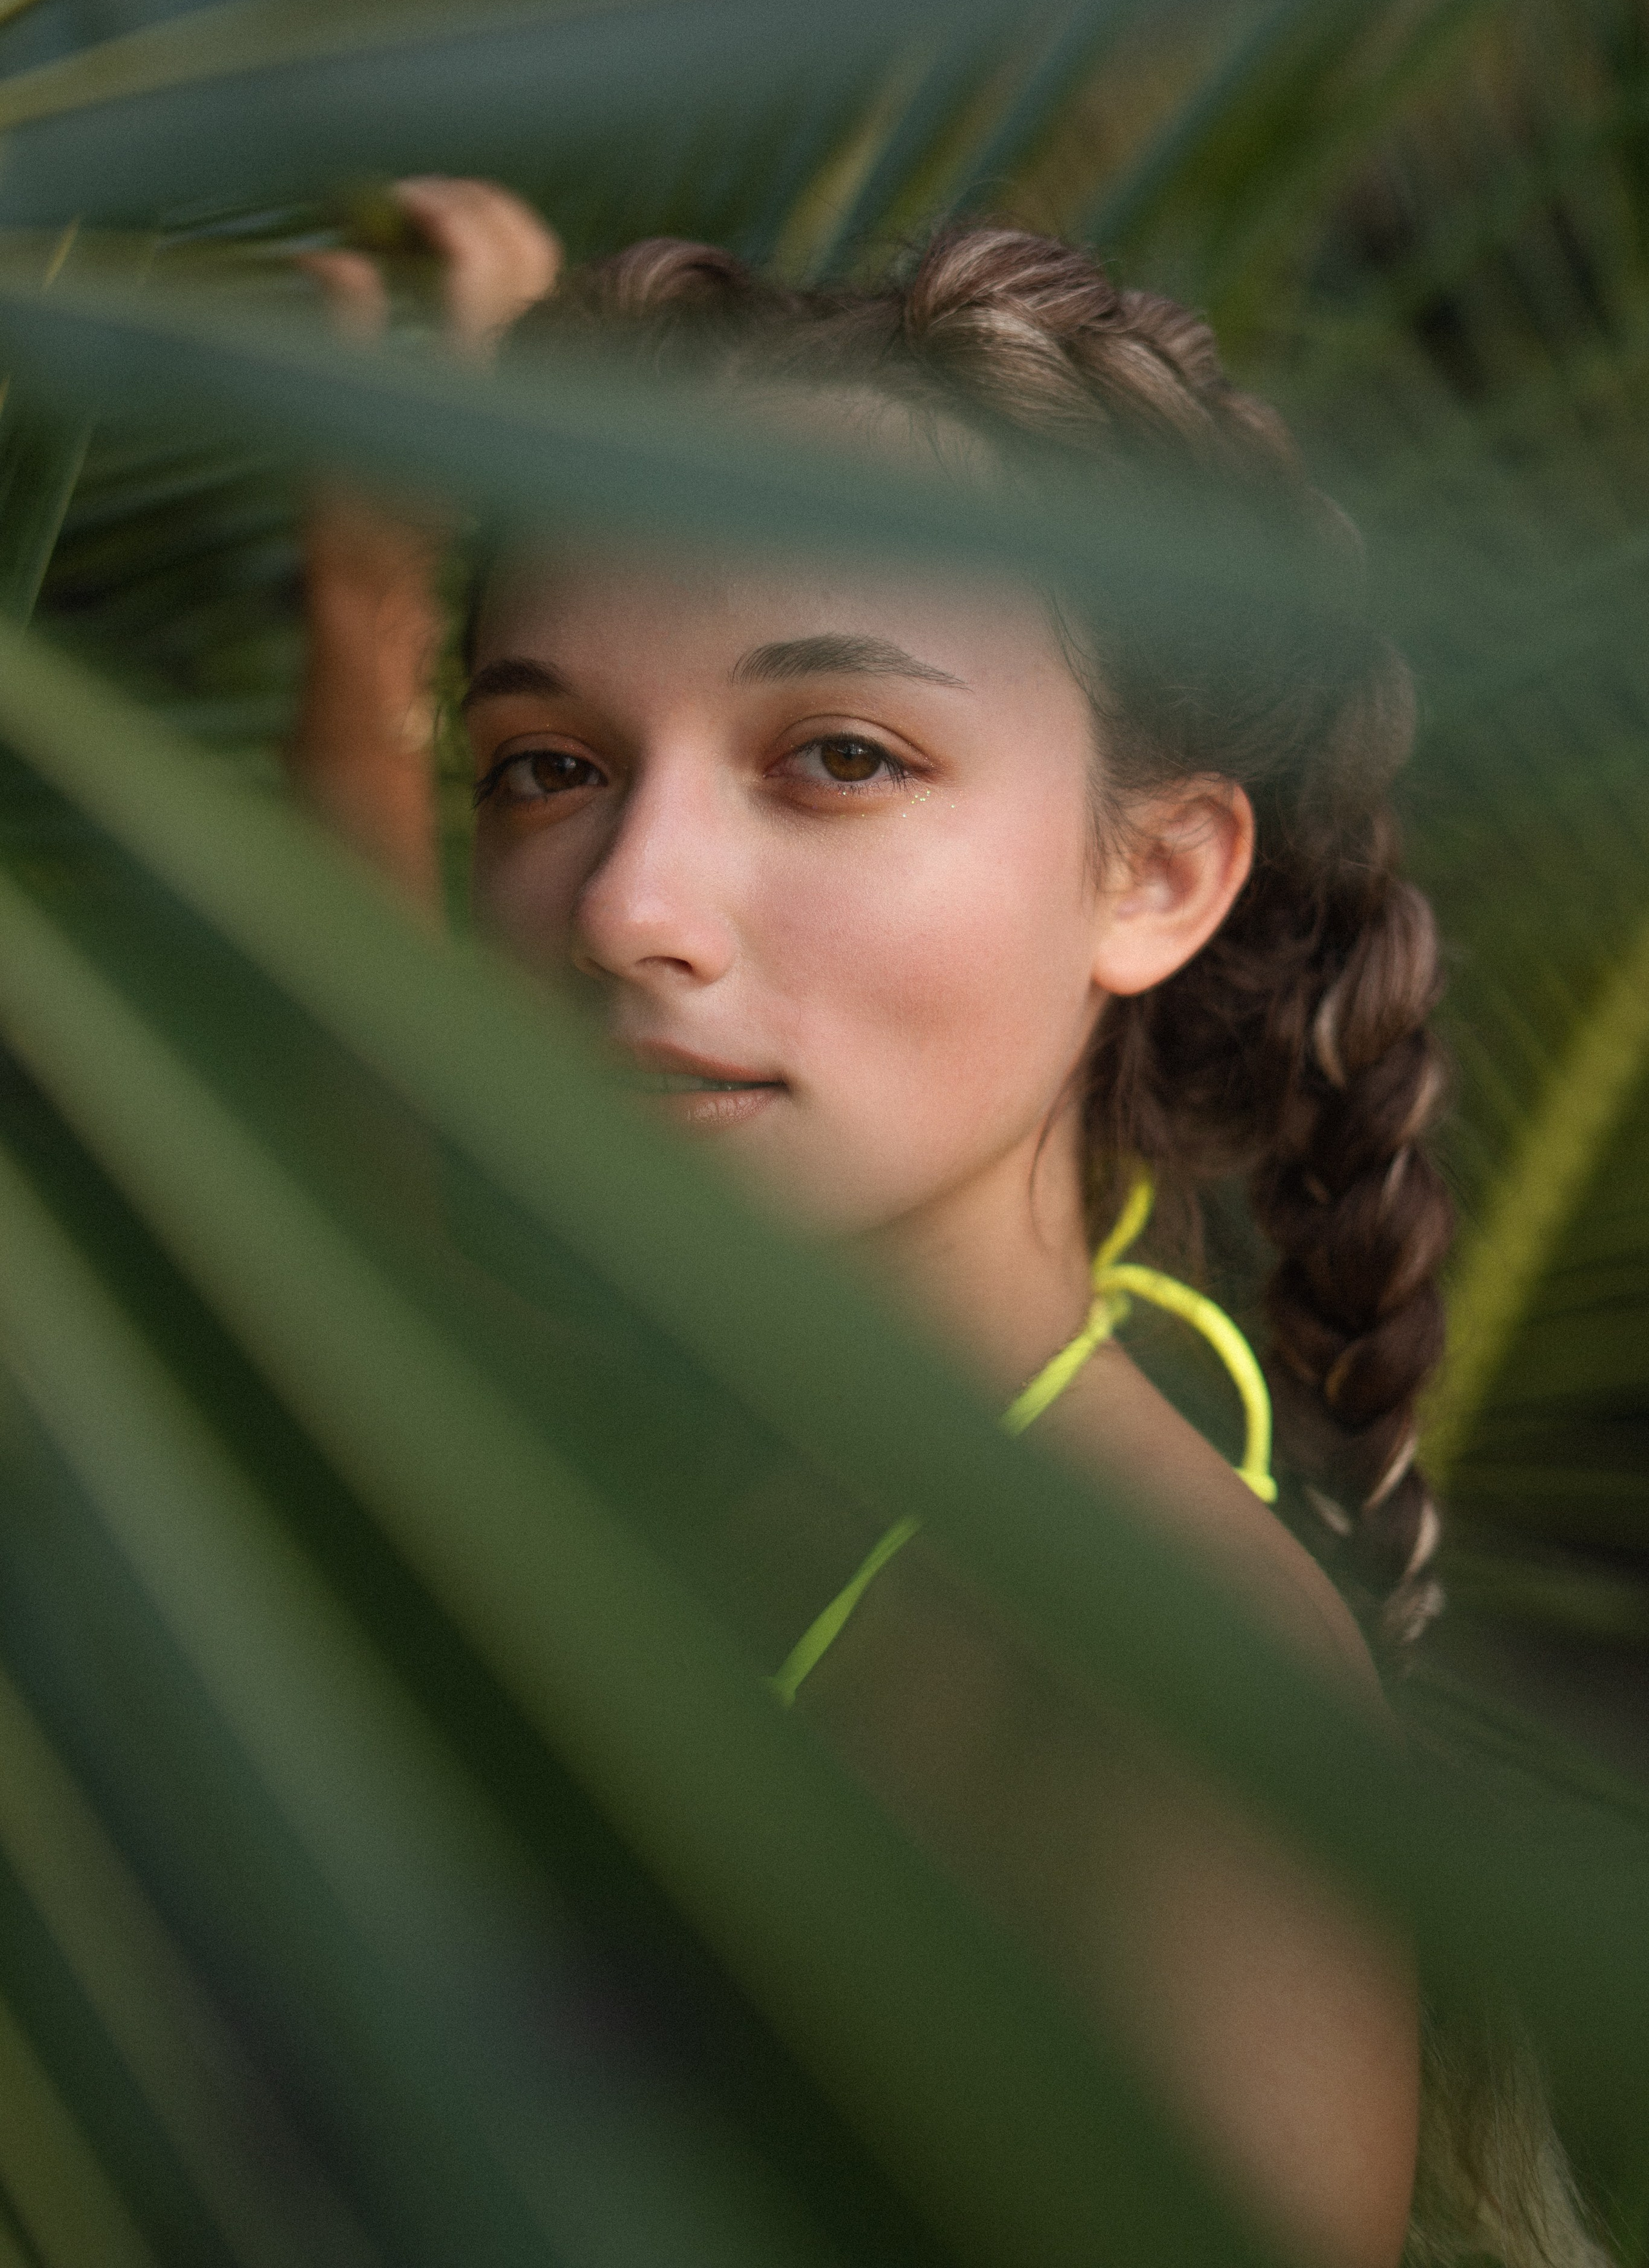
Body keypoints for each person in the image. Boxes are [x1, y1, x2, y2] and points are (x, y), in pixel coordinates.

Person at [294, 180, 1607, 2268]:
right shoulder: (706, 1425)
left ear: (1155, 878)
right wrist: (371, 590)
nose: (631, 906)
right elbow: (367, 1205)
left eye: (836, 755)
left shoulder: (1169, 1739)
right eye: (548, 766)